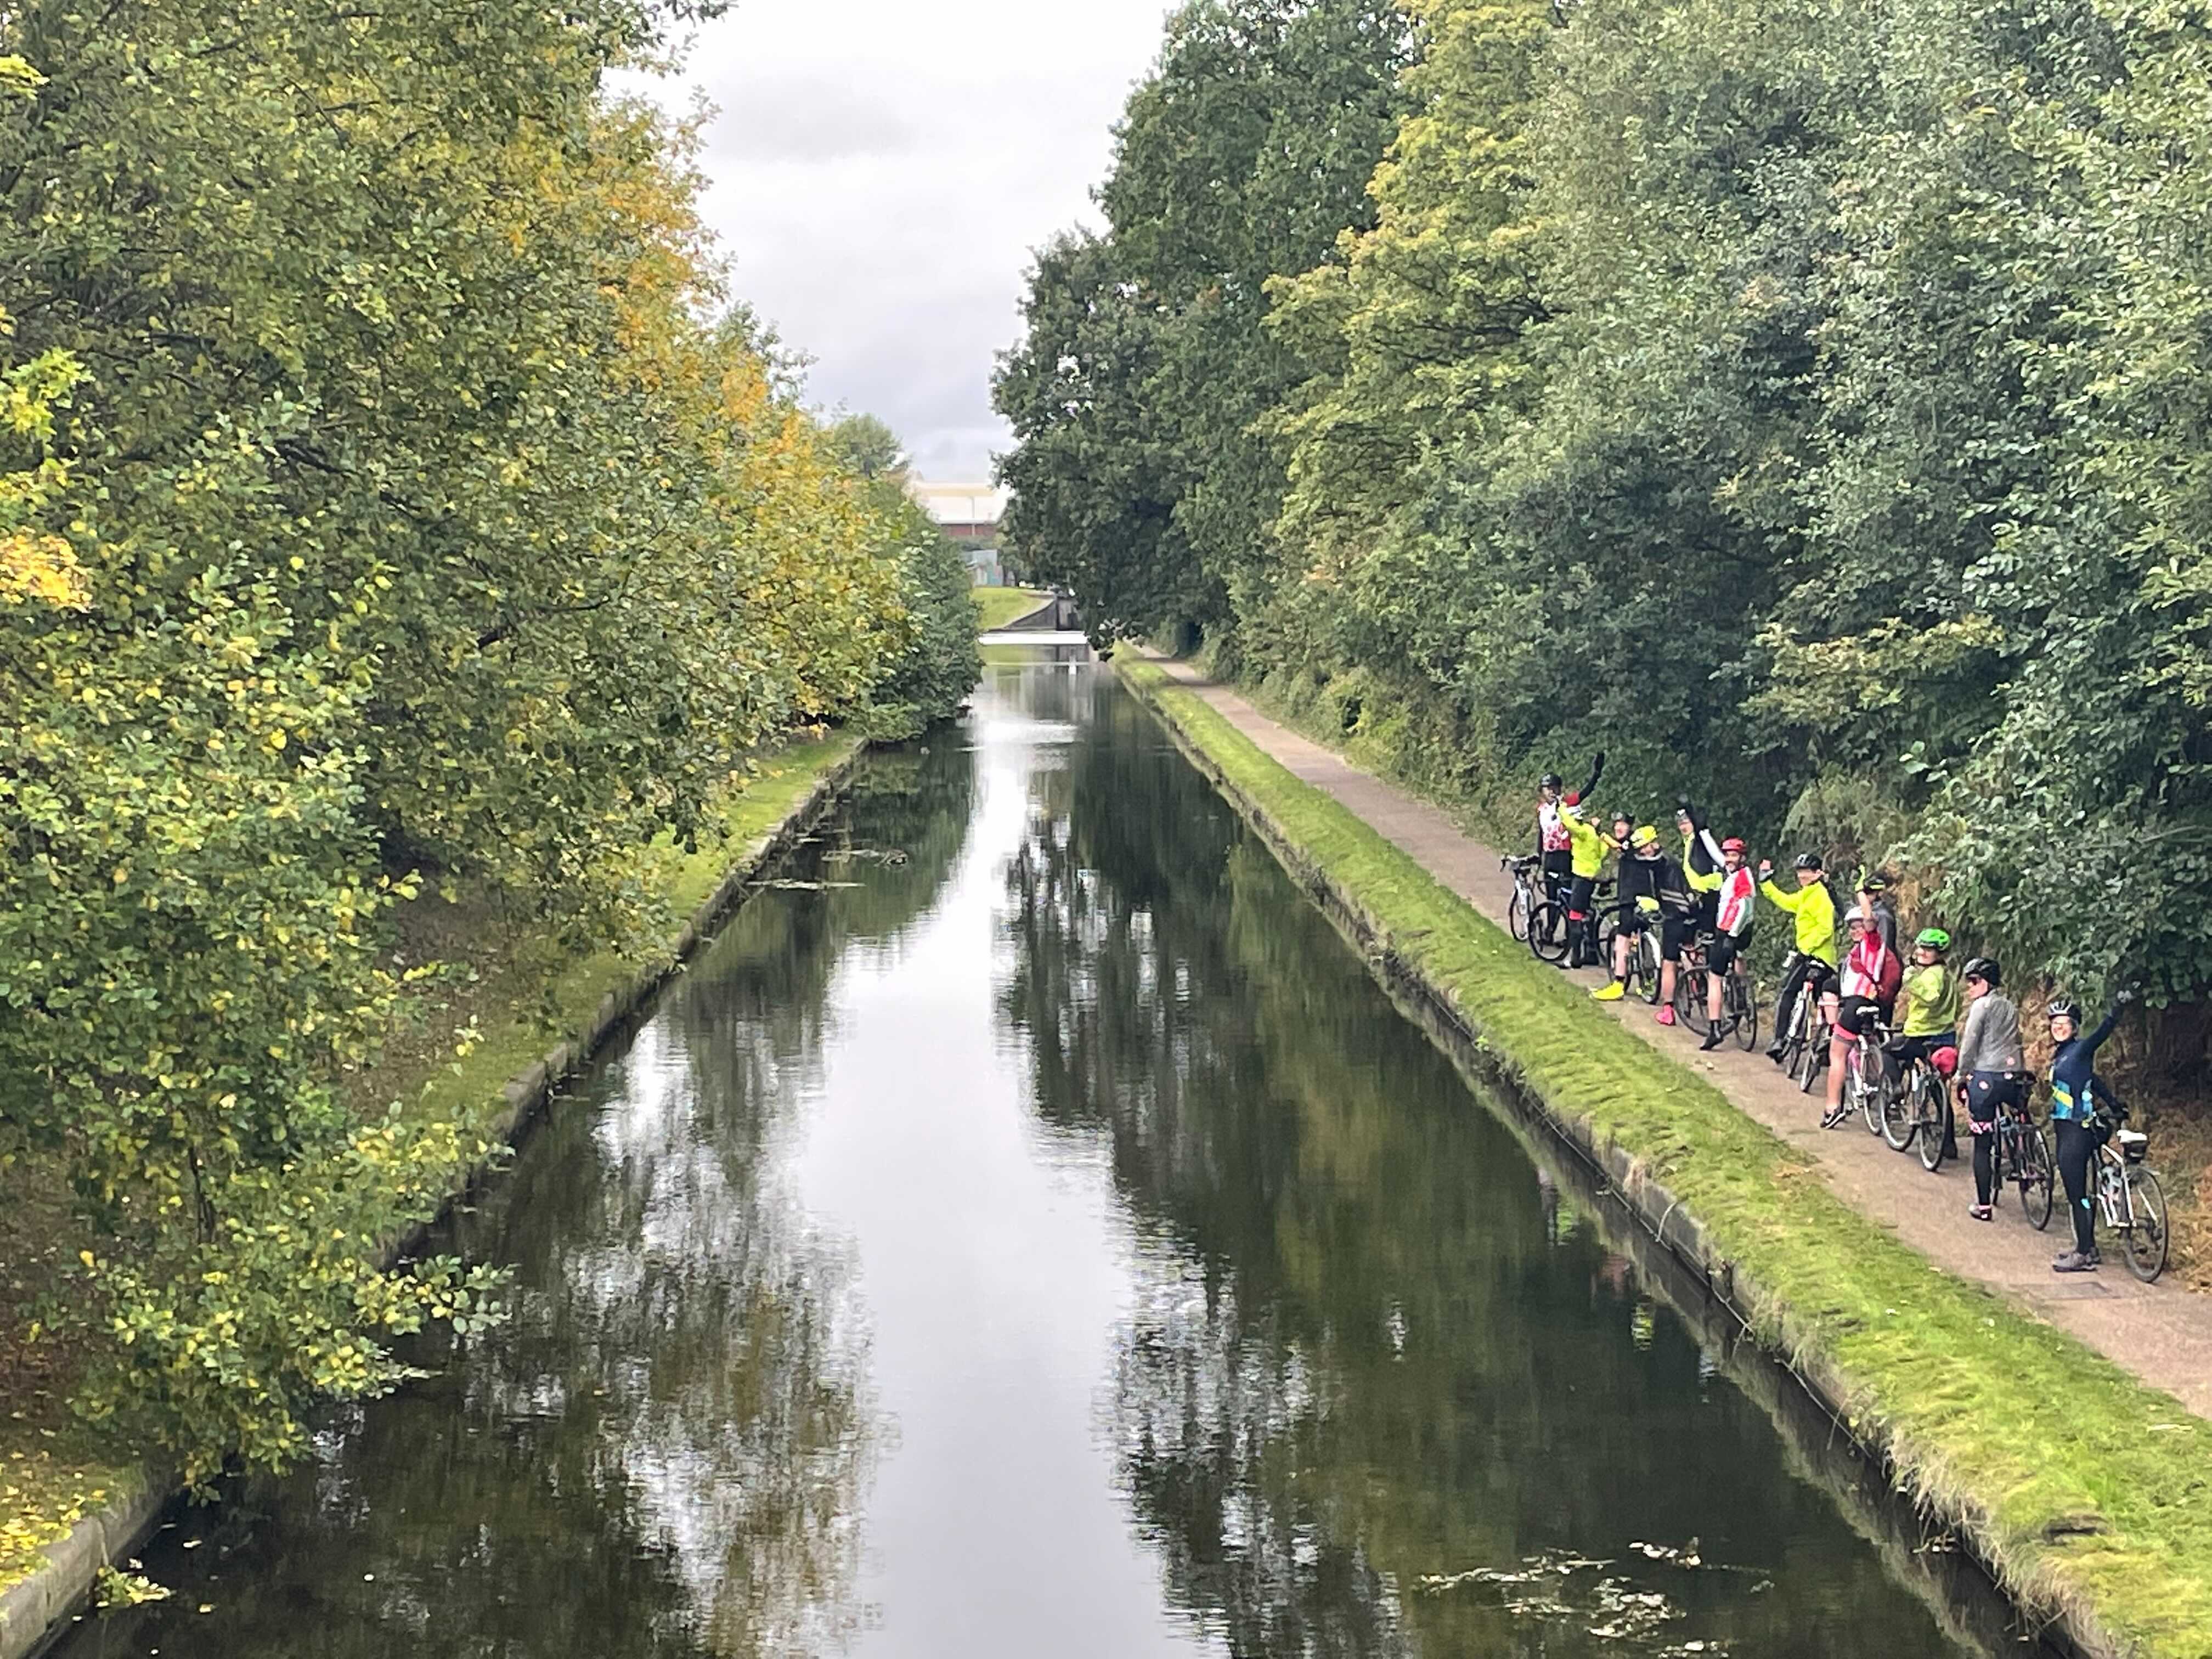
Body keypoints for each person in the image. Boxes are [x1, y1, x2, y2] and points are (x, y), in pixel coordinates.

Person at [2047, 992, 2130, 1273]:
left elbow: (2101, 1034)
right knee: (2081, 1192)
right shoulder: (2063, 1055)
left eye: (2065, 1023)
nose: (2059, 1028)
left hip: (2076, 1130)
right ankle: (2090, 1247)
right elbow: (2093, 1082)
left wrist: (2116, 1010)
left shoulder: (2081, 1049)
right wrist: (2115, 1105)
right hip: (2067, 1128)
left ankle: (2083, 1254)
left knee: (2077, 1194)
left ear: (2074, 1028)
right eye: (2055, 1023)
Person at [1953, 957, 2025, 1222]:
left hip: (1986, 1076)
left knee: (1982, 1145)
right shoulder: (2010, 1006)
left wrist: (1962, 1075)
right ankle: (2024, 1156)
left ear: (1986, 983)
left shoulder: (1980, 1006)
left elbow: (1970, 1044)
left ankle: (1983, 1206)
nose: (1969, 987)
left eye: (1974, 981)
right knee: (2020, 1113)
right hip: (2013, 1073)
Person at [1594, 825, 1691, 1009]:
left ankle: (1619, 983)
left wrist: (1601, 833)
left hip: (1631, 899)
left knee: (1622, 939)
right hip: (1650, 899)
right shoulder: (1658, 857)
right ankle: (1648, 980)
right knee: (1644, 935)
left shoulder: (1631, 850)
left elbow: (1618, 847)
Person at [1758, 853, 1838, 1063]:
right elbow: (1785, 901)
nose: (1802, 876)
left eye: (1807, 872)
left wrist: (1807, 948)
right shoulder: (1806, 894)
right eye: (1800, 872)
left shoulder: (1820, 896)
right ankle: (1794, 1041)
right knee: (1816, 1000)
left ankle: (1780, 1040)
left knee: (1789, 993)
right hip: (1810, 955)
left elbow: (1826, 929)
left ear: (1817, 873)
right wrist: (1766, 883)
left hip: (1817, 957)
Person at [1824, 907, 1900, 1124]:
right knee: (1871, 1045)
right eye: (1852, 928)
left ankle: (1832, 1107)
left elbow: (1870, 921)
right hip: (1871, 1003)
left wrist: (1862, 895)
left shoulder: (1871, 944)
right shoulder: (1859, 950)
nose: (1855, 931)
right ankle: (1884, 1095)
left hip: (1857, 1004)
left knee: (1837, 1054)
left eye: (1859, 927)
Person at [1689, 836, 1756, 1051]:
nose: (1728, 859)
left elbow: (1745, 908)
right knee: (1737, 959)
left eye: (1733, 855)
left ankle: (1715, 1029)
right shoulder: (1736, 872)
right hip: (1739, 931)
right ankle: (1740, 996)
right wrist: (1703, 832)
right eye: (1727, 855)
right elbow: (1717, 856)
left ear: (1742, 858)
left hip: (1730, 931)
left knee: (1714, 978)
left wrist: (1731, 935)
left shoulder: (1741, 877)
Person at [1559, 795, 1613, 970]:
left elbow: (1570, 824)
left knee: (1575, 916)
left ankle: (1575, 959)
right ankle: (1591, 953)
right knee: (1587, 914)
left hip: (1582, 877)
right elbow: (1602, 853)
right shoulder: (1591, 832)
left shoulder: (1583, 832)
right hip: (1591, 876)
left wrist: (1561, 808)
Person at [1858, 872, 1899, 956]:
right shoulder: (1871, 912)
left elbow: (1886, 946)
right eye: (1865, 892)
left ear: (1879, 893)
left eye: (1869, 892)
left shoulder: (1883, 915)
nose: (1866, 896)